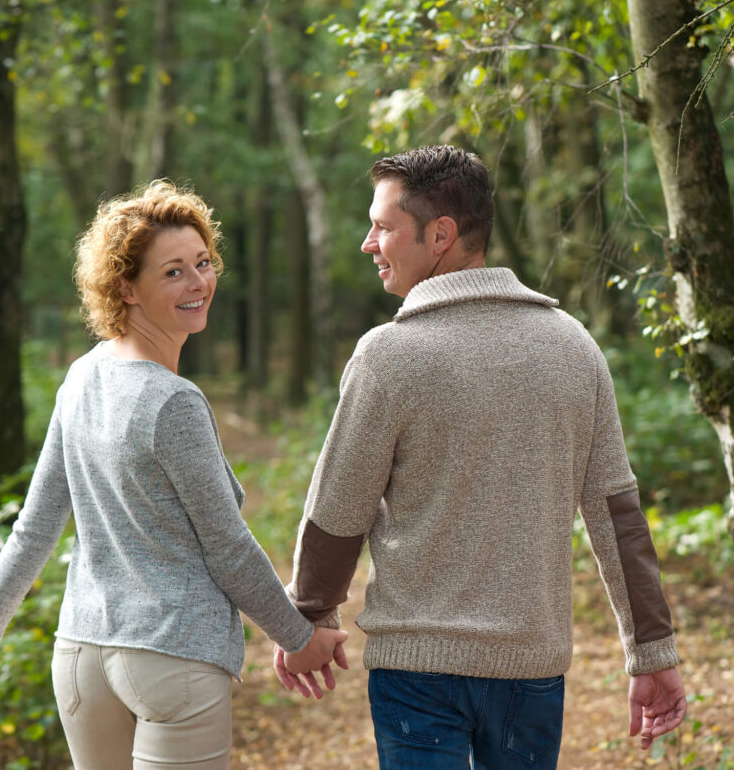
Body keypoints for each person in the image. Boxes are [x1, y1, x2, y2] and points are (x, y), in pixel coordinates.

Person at [272, 145, 687, 769]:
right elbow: (617, 517)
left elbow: (338, 508)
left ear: (440, 235)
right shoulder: (573, 347)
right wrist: (652, 654)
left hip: (416, 670)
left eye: (383, 227)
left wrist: (309, 617)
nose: (368, 243)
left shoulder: (388, 356)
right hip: (531, 672)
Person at [0, 180, 346, 770]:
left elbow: (35, 529)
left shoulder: (82, 376)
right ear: (125, 286)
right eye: (173, 272)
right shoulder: (172, 401)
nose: (199, 283)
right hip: (170, 661)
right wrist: (298, 638)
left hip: (81, 657)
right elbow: (226, 548)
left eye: (203, 263)